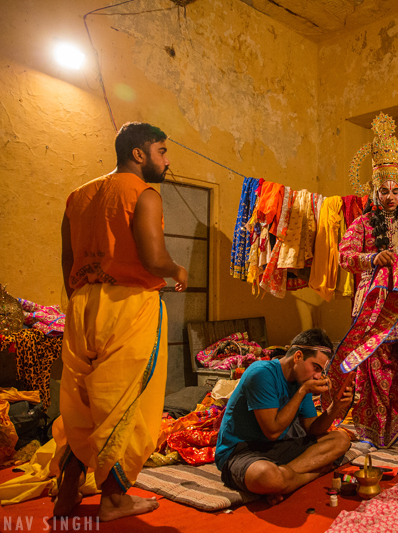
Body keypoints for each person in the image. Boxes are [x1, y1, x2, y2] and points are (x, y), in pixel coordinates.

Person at [53, 122, 188, 521]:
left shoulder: (78, 196)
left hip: (81, 304)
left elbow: (67, 258)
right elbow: (153, 259)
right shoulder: (142, 193)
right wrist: (178, 271)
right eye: (162, 151)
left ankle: (68, 491)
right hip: (128, 304)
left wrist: (83, 296)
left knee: (80, 403)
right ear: (139, 154)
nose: (166, 161)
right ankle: (113, 499)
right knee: (123, 405)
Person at [321, 113, 398, 452]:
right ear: (375, 192)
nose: (389, 196)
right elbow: (344, 255)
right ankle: (371, 430)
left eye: (395, 190)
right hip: (374, 304)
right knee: (374, 366)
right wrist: (371, 259)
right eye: (383, 191)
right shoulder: (361, 224)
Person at [215, 329, 353, 505]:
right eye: (315, 367)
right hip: (240, 452)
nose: (318, 376)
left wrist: (335, 408)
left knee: (341, 439)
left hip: (276, 448)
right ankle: (309, 474)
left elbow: (312, 430)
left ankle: (285, 478)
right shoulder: (261, 373)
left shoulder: (301, 380)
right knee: (268, 476)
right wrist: (303, 391)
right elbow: (272, 432)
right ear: (297, 357)